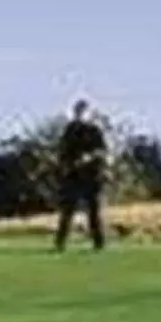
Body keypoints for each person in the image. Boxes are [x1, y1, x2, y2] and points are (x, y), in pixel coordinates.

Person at [54, 98, 109, 251]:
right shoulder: (70, 130)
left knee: (94, 211)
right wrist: (64, 165)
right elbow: (63, 151)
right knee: (67, 210)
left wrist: (89, 157)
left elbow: (102, 151)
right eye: (77, 111)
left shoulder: (95, 130)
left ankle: (99, 243)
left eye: (82, 111)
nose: (79, 114)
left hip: (92, 176)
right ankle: (60, 242)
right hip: (73, 175)